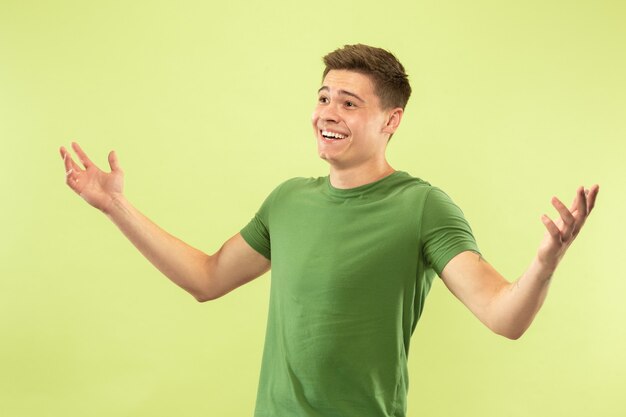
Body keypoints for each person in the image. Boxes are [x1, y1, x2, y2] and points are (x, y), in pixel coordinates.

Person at [60, 44, 599, 417]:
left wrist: (546, 262)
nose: (327, 112)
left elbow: (503, 316)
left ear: (391, 120)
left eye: (349, 102)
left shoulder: (422, 206)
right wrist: (116, 208)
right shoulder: (288, 199)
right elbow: (206, 278)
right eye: (322, 97)